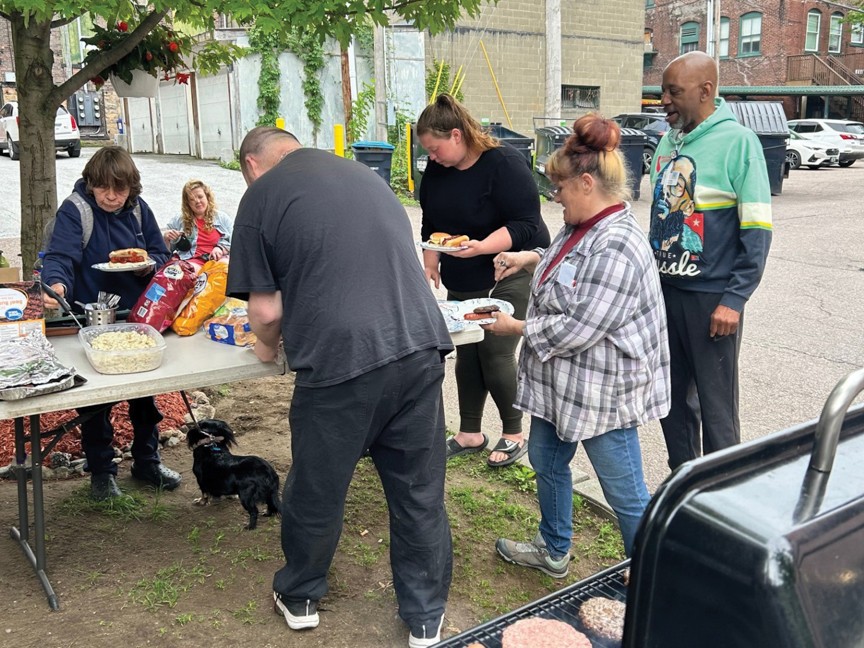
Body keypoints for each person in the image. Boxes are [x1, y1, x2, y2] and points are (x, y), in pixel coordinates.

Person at [226, 126, 454, 648]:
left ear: (253, 166)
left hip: (342, 362)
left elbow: (265, 311)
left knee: (318, 486)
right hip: (419, 347)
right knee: (418, 490)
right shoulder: (366, 176)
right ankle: (424, 616)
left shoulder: (263, 194)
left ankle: (301, 594)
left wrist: (265, 347)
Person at [488, 114, 670, 572]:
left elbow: (578, 328)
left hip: (602, 394)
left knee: (624, 492)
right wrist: (529, 258)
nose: (555, 198)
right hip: (561, 386)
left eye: (560, 189)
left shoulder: (620, 244)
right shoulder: (582, 225)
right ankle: (553, 549)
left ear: (586, 183)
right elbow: (563, 265)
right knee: (547, 461)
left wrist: (517, 328)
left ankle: (653, 577)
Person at [650, 51, 772, 470]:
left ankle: (724, 487)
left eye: (673, 92)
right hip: (665, 295)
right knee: (669, 396)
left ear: (705, 91)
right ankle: (684, 479)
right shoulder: (668, 142)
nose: (663, 100)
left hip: (710, 300)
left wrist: (734, 299)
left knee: (717, 406)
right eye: (662, 91)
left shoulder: (739, 143)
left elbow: (756, 230)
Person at [416, 94, 550, 467]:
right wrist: (431, 260)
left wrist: (481, 248)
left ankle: (513, 432)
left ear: (457, 135)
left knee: (493, 345)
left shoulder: (504, 163)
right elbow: (432, 222)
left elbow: (526, 223)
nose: (433, 157)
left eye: (436, 148)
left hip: (512, 263)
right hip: (465, 267)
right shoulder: (438, 171)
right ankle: (470, 432)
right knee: (467, 348)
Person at [41, 146, 179, 500]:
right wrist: (56, 285)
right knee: (95, 403)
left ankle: (147, 460)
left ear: (132, 188)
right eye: (105, 188)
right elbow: (61, 257)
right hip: (91, 317)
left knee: (145, 397)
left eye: (121, 190)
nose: (113, 196)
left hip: (135, 319)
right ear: (91, 184)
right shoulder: (77, 211)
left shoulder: (138, 211)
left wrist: (150, 264)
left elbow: (161, 254)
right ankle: (101, 473)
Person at [162, 179, 233, 266]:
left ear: (207, 197)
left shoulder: (223, 218)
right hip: (190, 262)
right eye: (192, 199)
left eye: (200, 197)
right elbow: (165, 253)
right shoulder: (179, 220)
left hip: (217, 262)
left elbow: (236, 242)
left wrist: (220, 248)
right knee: (171, 275)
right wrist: (166, 239)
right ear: (187, 203)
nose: (197, 201)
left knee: (222, 271)